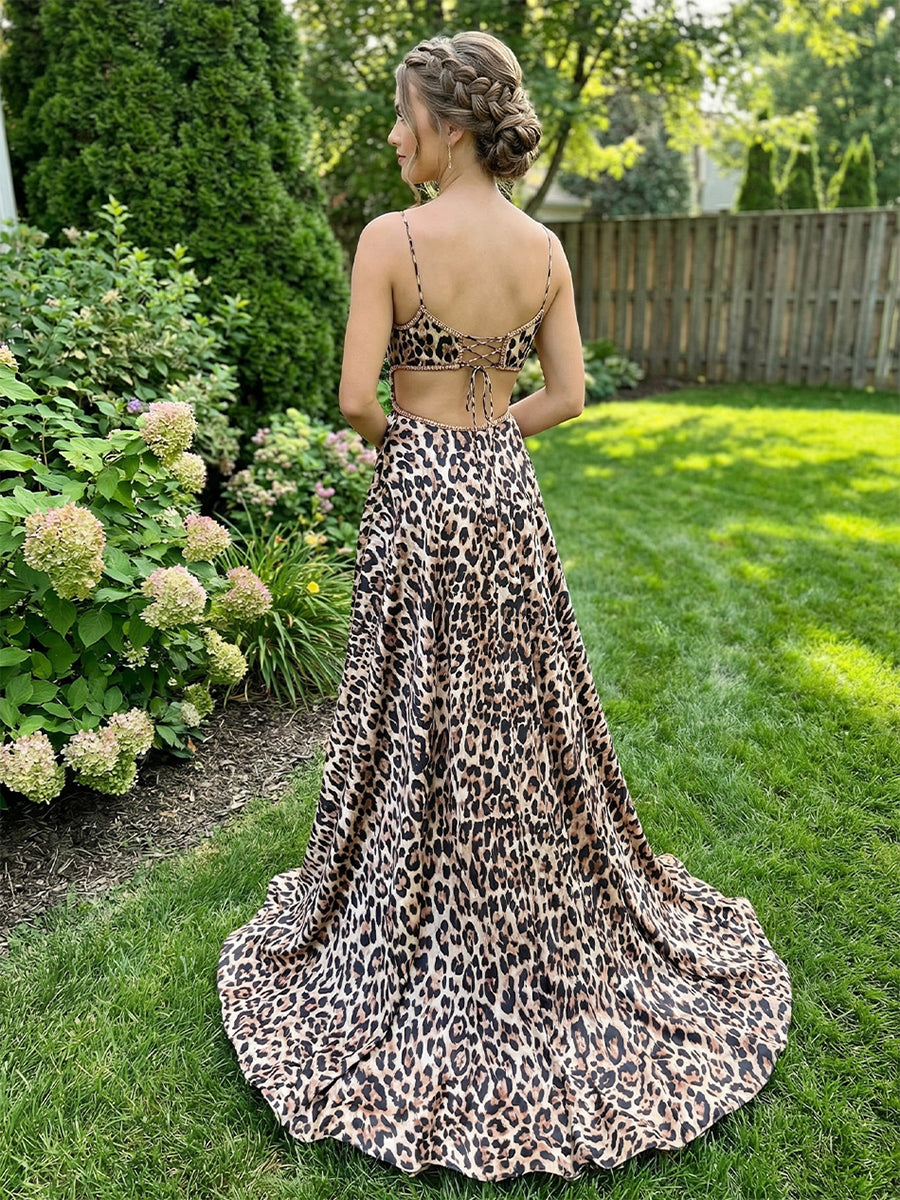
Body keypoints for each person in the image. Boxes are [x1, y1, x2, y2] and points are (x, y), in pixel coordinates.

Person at [218, 31, 791, 1182]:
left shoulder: (391, 239)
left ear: (449, 125)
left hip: (420, 490)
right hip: (504, 491)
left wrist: (420, 442)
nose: (393, 135)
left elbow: (355, 399)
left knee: (411, 701)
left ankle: (413, 902)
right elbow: (567, 395)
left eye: (403, 116)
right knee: (520, 710)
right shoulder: (545, 249)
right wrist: (487, 437)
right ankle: (521, 898)